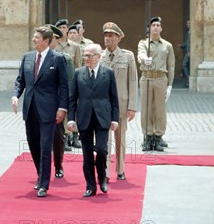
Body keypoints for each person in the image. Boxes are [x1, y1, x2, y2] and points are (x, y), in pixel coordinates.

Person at [12, 26, 69, 198]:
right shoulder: (27, 58)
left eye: (37, 37)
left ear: (46, 40)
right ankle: (40, 174)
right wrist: (15, 96)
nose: (34, 39)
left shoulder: (57, 59)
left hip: (49, 110)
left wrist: (62, 108)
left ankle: (44, 183)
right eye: (34, 36)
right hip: (30, 109)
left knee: (45, 146)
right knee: (33, 145)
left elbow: (64, 86)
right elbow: (20, 80)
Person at [68, 44, 119, 197]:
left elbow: (114, 98)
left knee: (102, 150)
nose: (87, 58)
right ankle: (90, 186)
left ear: (99, 56)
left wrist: (115, 119)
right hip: (84, 117)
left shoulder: (108, 73)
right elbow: (72, 99)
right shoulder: (78, 73)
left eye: (90, 55)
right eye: (85, 55)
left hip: (103, 117)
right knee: (87, 154)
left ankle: (102, 178)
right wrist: (71, 119)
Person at [100, 22, 137, 181]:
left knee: (120, 139)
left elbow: (133, 82)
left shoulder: (127, 57)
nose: (108, 39)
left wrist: (132, 107)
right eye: (106, 35)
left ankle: (120, 169)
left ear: (118, 38)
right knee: (104, 141)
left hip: (121, 104)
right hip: (104, 105)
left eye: (111, 36)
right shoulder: (99, 57)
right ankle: (105, 171)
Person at [137, 16, 175, 151]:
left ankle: (158, 136)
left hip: (160, 78)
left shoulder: (167, 45)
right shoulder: (143, 43)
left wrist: (170, 85)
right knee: (146, 109)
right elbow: (140, 54)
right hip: (147, 77)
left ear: (161, 28)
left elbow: (171, 66)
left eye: (158, 25)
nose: (156, 27)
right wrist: (144, 59)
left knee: (160, 109)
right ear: (150, 28)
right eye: (153, 25)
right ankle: (148, 136)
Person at [46, 24, 72, 179]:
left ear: (56, 40)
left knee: (57, 137)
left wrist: (65, 106)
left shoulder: (64, 59)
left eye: (52, 38)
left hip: (56, 104)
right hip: (42, 103)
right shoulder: (36, 57)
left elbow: (68, 84)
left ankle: (58, 165)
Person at [55, 18, 82, 150]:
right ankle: (63, 138)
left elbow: (78, 66)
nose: (62, 30)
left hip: (71, 83)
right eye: (60, 28)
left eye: (64, 28)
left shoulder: (75, 47)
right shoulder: (54, 46)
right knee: (61, 109)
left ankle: (74, 136)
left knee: (73, 109)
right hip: (58, 84)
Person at [181, 19, 190, 88]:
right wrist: (181, 45)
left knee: (184, 64)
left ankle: (188, 80)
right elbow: (187, 43)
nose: (188, 25)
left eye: (189, 23)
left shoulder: (193, 33)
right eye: (187, 23)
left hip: (189, 52)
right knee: (186, 66)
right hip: (187, 52)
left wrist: (190, 51)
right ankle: (188, 80)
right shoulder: (188, 33)